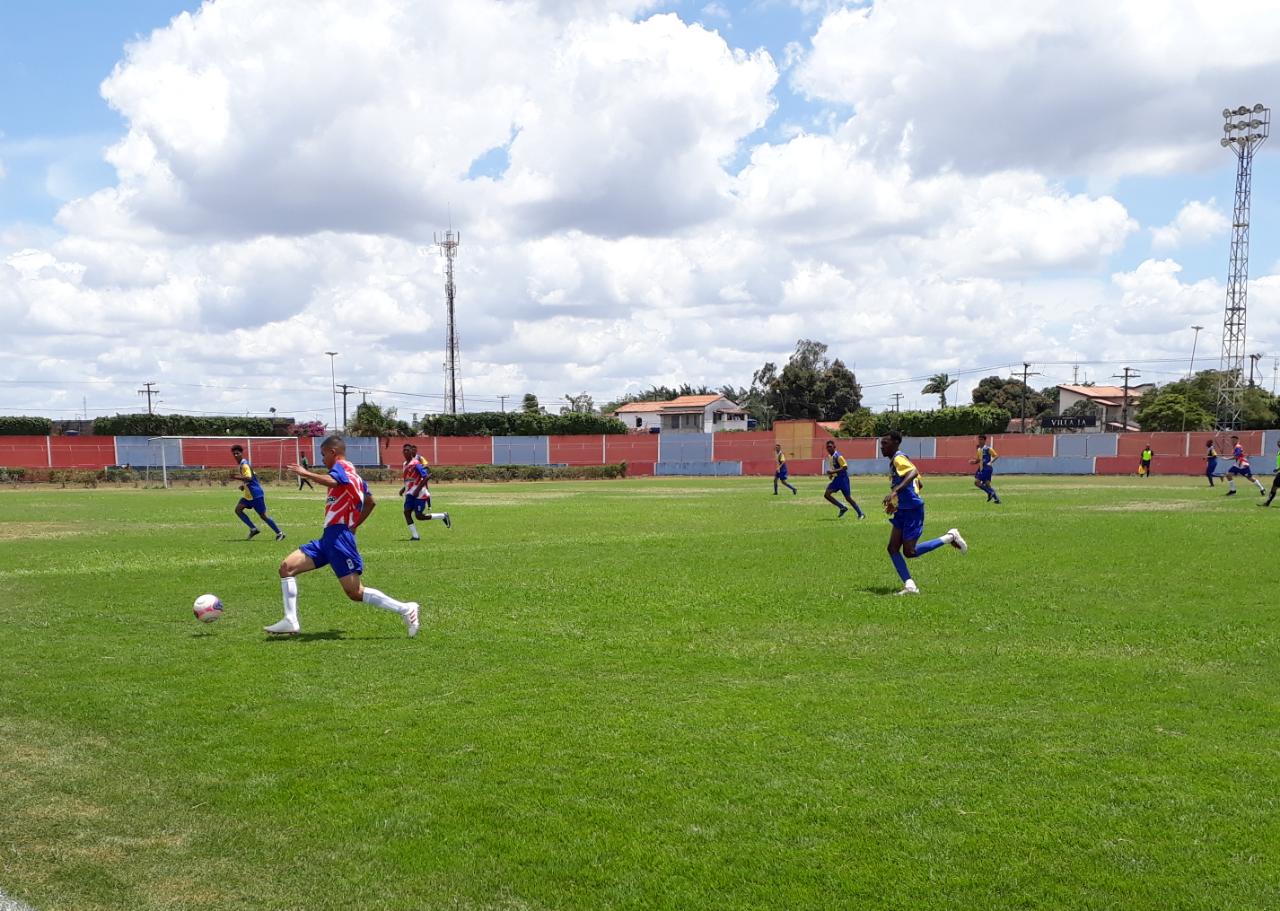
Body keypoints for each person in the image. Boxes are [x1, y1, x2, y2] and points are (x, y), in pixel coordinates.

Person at [266, 435, 419, 637]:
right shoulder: (356, 476)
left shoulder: (341, 467)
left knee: (355, 592)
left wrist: (306, 473)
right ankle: (290, 620)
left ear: (333, 452)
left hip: (339, 538)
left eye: (323, 455)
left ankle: (406, 609)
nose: (322, 459)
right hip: (328, 537)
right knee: (287, 568)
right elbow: (371, 502)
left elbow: (334, 480)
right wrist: (354, 523)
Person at [880, 430, 966, 595]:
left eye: (885, 443)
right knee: (892, 548)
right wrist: (896, 504)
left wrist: (895, 492)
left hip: (912, 510)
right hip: (903, 510)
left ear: (896, 443)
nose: (882, 446)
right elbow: (919, 485)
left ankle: (950, 537)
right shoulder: (895, 461)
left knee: (909, 552)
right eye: (881, 443)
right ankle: (910, 586)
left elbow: (913, 473)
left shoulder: (899, 458)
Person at [231, 444, 285, 541]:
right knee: (238, 510)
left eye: (237, 453)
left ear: (241, 453)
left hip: (255, 495)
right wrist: (243, 486)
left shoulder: (244, 465)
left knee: (263, 516)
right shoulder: (243, 464)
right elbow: (253, 477)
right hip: (249, 495)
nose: (235, 455)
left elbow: (250, 478)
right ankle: (253, 529)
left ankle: (279, 533)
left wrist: (235, 477)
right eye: (234, 454)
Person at [399, 443, 450, 540]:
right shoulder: (404, 464)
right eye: (404, 450)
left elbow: (426, 477)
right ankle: (415, 536)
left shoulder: (416, 464)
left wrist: (417, 490)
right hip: (410, 493)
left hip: (420, 494)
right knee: (406, 513)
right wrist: (403, 488)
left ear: (411, 452)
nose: (405, 452)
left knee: (419, 516)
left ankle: (443, 516)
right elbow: (410, 479)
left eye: (407, 450)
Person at [823, 439, 864, 519]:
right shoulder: (830, 456)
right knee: (827, 494)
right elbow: (834, 466)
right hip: (836, 479)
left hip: (843, 479)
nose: (829, 448)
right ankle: (842, 507)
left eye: (830, 447)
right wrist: (832, 474)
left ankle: (861, 513)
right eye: (827, 447)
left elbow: (845, 467)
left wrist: (832, 472)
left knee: (848, 498)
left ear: (834, 447)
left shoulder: (838, 456)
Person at [969, 434, 1001, 503]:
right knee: (987, 484)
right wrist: (973, 462)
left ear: (984, 440)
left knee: (977, 482)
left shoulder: (988, 448)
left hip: (987, 468)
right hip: (981, 468)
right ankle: (997, 499)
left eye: (981, 439)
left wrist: (990, 462)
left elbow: (996, 456)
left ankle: (990, 492)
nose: (979, 441)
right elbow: (978, 460)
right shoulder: (979, 449)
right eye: (979, 439)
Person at [1259, 441, 1280, 507]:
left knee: (1274, 487)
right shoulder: (1279, 452)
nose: (1278, 444)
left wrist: (1278, 468)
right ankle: (1267, 502)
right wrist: (1278, 469)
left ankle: (1267, 502)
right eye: (1278, 443)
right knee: (1274, 487)